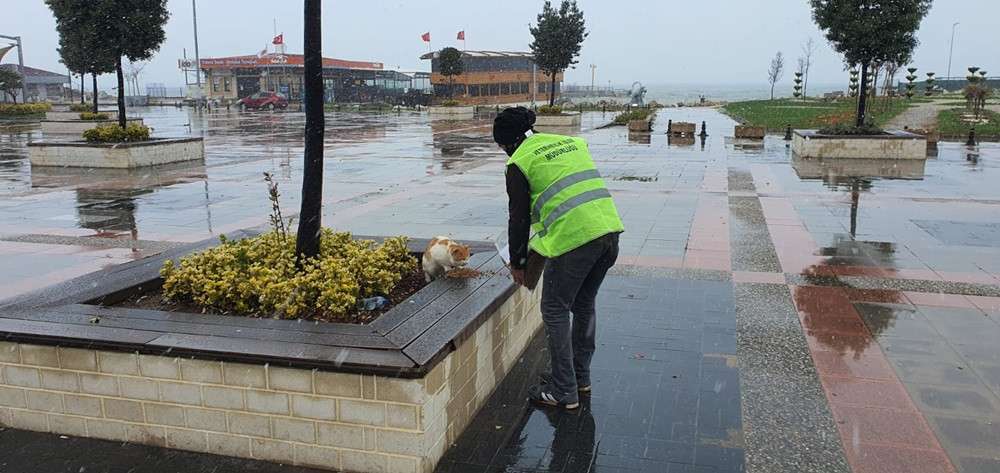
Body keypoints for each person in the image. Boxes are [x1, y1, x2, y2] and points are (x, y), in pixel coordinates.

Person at [494, 106, 624, 410]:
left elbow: (519, 219)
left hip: (574, 241)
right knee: (583, 304)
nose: (503, 152)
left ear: (509, 142)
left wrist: (518, 264)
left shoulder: (519, 162)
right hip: (608, 232)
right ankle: (580, 377)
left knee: (554, 308)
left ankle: (563, 390)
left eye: (501, 146)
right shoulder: (570, 143)